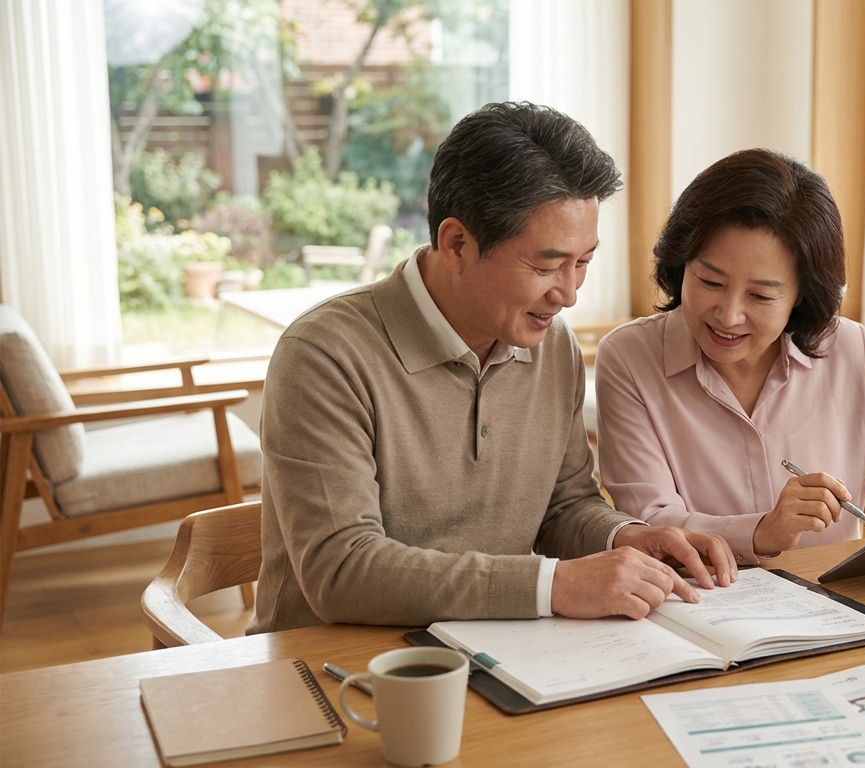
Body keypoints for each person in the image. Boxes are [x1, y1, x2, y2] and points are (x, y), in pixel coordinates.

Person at [248, 103, 736, 635]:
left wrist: (625, 537)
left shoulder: (553, 348)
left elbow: (563, 507)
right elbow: (341, 570)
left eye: (584, 262)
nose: (569, 294)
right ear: (457, 244)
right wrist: (554, 585)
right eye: (547, 265)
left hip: (497, 653)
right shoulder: (324, 354)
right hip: (329, 669)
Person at [594, 148, 865, 568]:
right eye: (709, 281)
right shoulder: (630, 358)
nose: (728, 315)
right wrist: (762, 531)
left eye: (761, 295)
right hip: (694, 608)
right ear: (680, 264)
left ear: (802, 295)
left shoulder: (848, 349)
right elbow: (649, 523)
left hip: (832, 609)